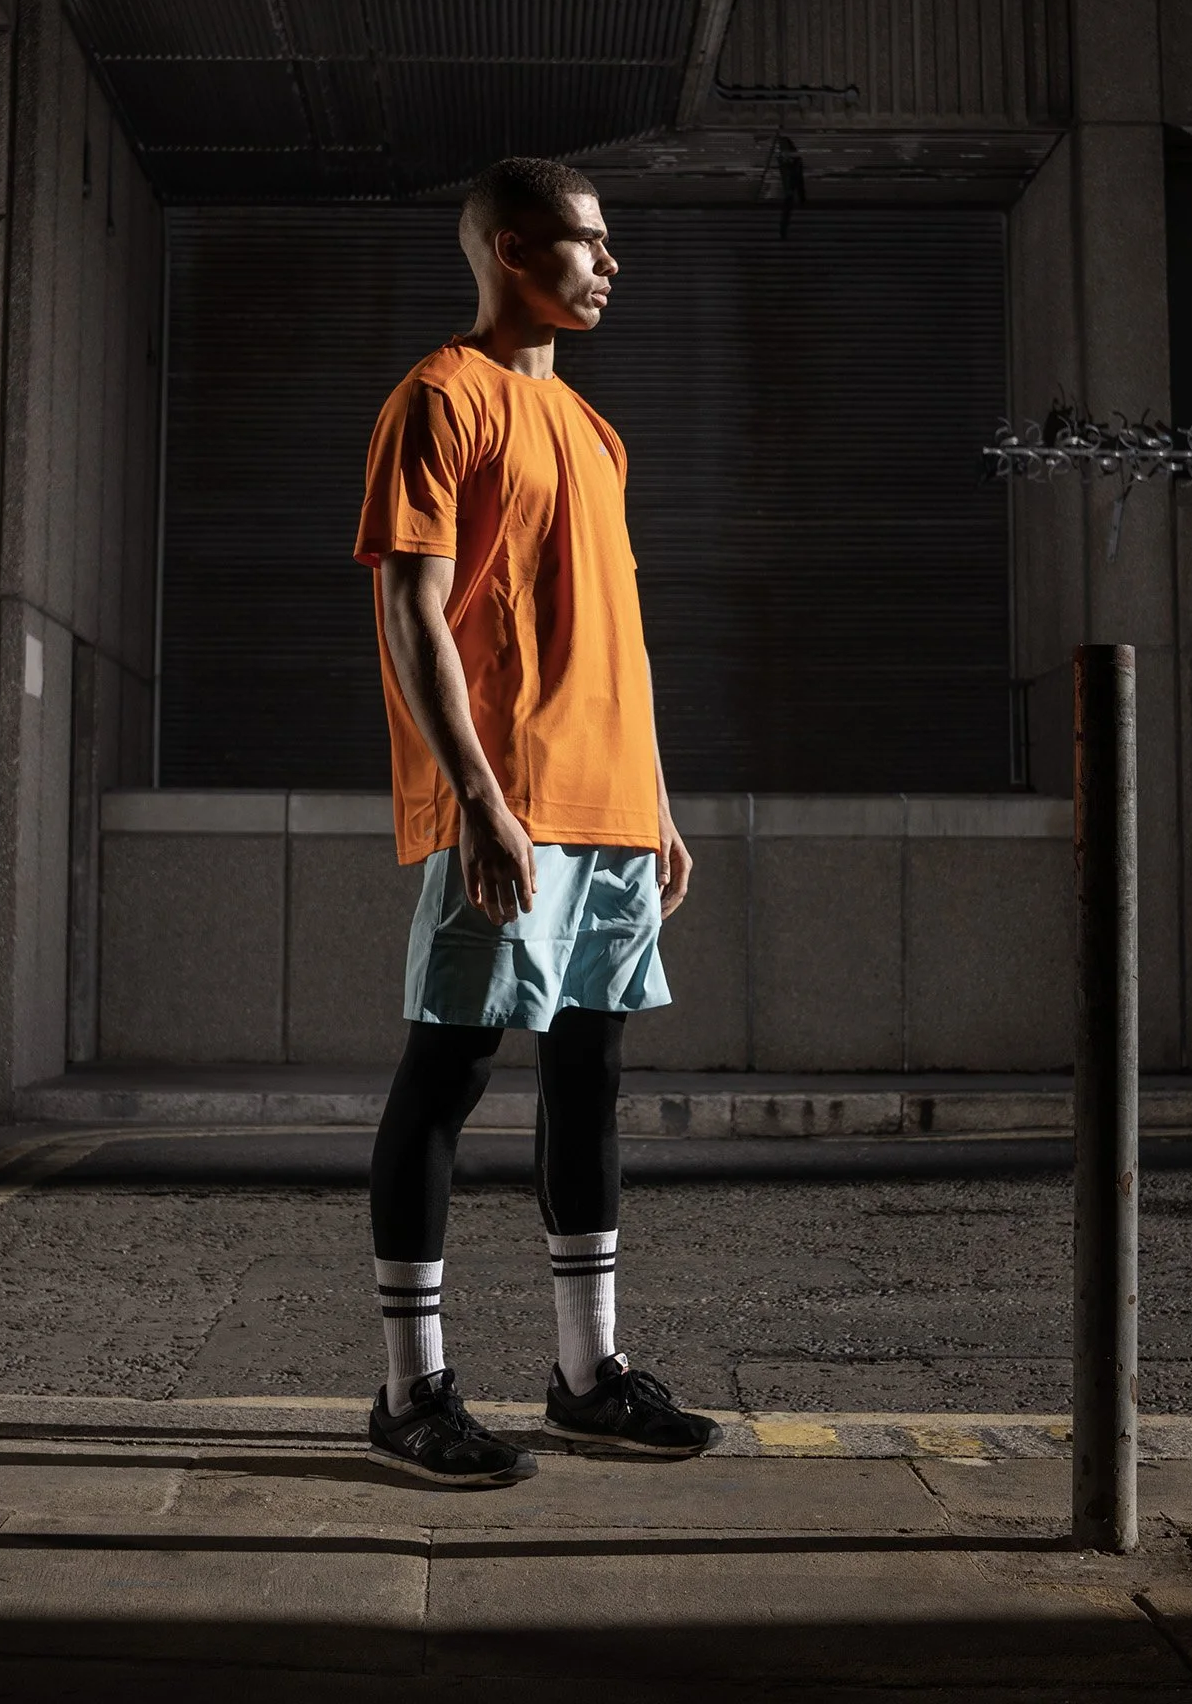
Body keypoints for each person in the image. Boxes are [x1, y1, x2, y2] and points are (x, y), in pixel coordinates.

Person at [353, 155, 721, 1485]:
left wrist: (656, 800)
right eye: (585, 240)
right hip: (508, 801)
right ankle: (411, 1393)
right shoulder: (440, 398)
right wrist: (476, 796)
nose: (608, 263)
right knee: (447, 1072)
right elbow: (412, 609)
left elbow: (617, 633)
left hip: (612, 807)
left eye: (608, 243)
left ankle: (586, 1378)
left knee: (589, 1079)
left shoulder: (598, 432)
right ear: (511, 248)